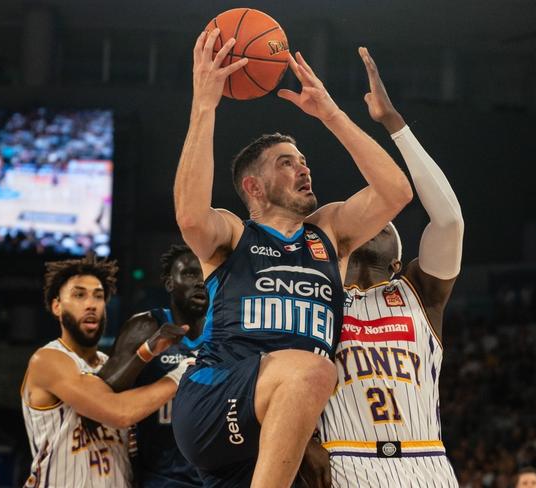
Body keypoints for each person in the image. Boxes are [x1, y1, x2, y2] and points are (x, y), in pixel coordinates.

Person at [171, 28, 413, 488]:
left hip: (281, 423)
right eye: (286, 162)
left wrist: (333, 115)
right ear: (253, 188)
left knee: (307, 376)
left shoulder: (328, 235)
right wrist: (204, 104)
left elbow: (396, 192)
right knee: (312, 367)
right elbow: (189, 216)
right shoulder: (235, 234)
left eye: (303, 159)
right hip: (215, 397)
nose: (303, 166)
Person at [308, 47, 464, 486]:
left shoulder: (420, 291)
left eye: (382, 218)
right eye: (359, 214)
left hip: (426, 461)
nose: (370, 220)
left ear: (399, 254)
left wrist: (394, 123)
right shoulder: (311, 296)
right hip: (343, 459)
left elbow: (449, 220)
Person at [21, 255, 192, 488]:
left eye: (98, 296)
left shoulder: (108, 364)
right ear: (56, 306)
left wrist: (146, 351)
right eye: (79, 294)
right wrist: (179, 374)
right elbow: (119, 411)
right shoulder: (48, 360)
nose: (91, 303)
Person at [96, 244, 208, 487]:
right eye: (190, 273)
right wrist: (147, 351)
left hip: (216, 478)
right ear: (169, 283)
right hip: (161, 477)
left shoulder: (229, 332)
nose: (200, 282)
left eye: (206, 274)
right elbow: (103, 395)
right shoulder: (145, 326)